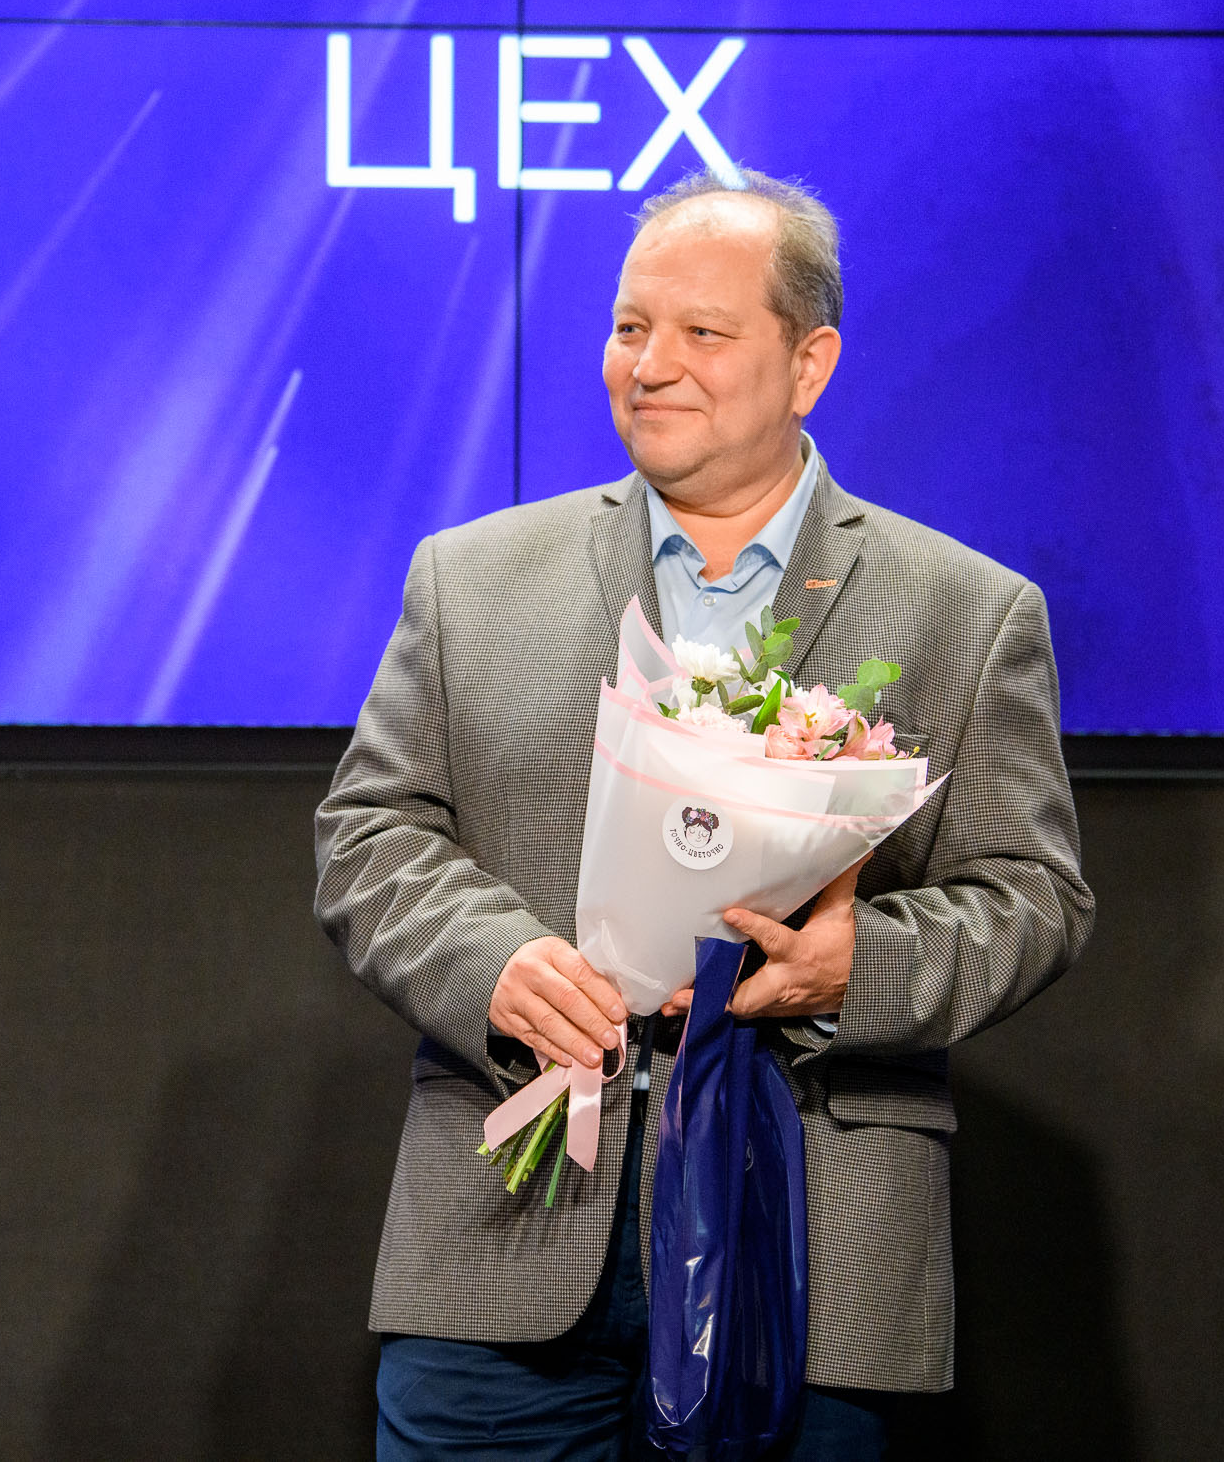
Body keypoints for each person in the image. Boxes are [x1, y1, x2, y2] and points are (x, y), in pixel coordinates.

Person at [316, 169, 1092, 1459]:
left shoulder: (965, 610)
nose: (651, 364)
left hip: (811, 1238)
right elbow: (368, 835)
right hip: (505, 1230)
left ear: (809, 364)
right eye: (630, 327)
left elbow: (1033, 895)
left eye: (702, 332)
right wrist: (495, 964)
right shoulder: (471, 579)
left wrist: (855, 966)